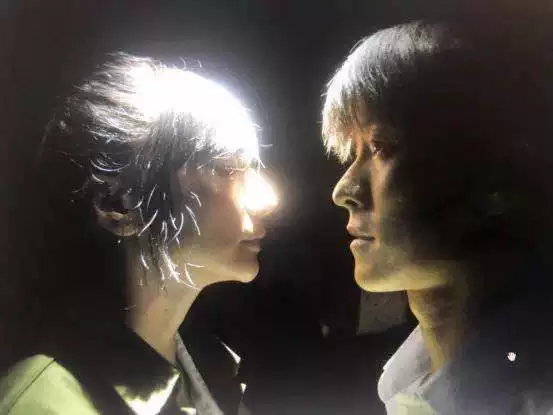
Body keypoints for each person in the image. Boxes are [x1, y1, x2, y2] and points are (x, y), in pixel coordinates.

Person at [0, 52, 277, 414]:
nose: (270, 199)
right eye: (226, 168)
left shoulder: (212, 369)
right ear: (119, 203)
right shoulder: (45, 405)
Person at [322, 18, 553, 414]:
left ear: (494, 176)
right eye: (353, 154)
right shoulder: (400, 385)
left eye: (380, 147)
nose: (343, 191)